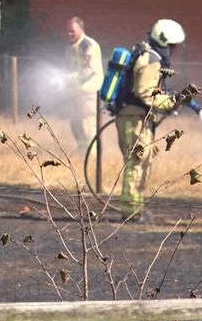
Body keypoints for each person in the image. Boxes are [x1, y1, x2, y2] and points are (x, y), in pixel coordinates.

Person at [115, 18, 188, 222]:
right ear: (164, 42)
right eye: (173, 46)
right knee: (136, 163)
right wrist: (169, 102)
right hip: (133, 118)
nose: (174, 51)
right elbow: (145, 93)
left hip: (138, 118)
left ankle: (136, 209)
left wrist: (172, 99)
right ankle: (130, 213)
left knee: (143, 161)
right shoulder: (152, 60)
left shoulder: (151, 56)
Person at [64, 16, 103, 151]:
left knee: (87, 127)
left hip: (89, 94)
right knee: (76, 125)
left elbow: (89, 70)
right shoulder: (70, 48)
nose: (69, 34)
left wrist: (69, 78)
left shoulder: (88, 46)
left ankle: (91, 159)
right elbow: (67, 67)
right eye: (68, 31)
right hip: (75, 93)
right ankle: (82, 155)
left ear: (81, 29)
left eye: (72, 31)